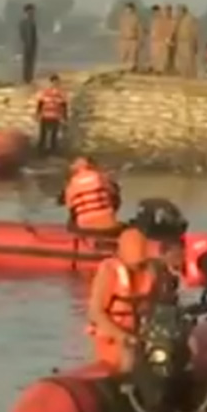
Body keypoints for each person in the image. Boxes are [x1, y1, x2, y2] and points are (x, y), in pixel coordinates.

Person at [87, 228, 157, 373]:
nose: (137, 266)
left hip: (139, 335)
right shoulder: (109, 271)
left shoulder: (150, 271)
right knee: (122, 366)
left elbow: (153, 306)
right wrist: (121, 336)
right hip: (112, 339)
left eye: (140, 262)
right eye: (134, 262)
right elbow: (95, 312)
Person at [59, 156, 122, 232]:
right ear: (92, 165)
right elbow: (115, 194)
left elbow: (67, 205)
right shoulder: (102, 177)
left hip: (84, 228)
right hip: (109, 226)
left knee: (72, 217)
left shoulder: (70, 185)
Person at [34, 74, 69, 156]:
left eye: (57, 82)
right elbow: (40, 103)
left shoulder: (61, 93)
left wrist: (65, 117)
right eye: (53, 82)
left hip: (55, 116)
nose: (55, 84)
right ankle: (40, 152)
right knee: (43, 135)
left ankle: (52, 152)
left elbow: (64, 105)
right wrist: (37, 114)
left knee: (54, 135)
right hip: (45, 115)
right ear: (51, 82)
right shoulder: (46, 92)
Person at [18, 3, 39, 84]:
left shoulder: (32, 22)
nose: (33, 13)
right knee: (27, 63)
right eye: (31, 11)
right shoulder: (24, 22)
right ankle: (26, 79)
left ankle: (29, 78)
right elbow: (23, 34)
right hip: (27, 45)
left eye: (33, 12)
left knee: (31, 62)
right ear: (27, 12)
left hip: (32, 45)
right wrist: (26, 43)